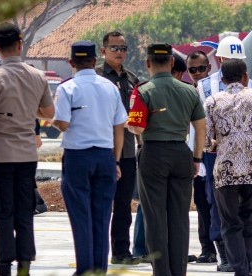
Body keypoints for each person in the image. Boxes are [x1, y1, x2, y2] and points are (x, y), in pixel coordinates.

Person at [0, 22, 55, 276]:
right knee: (24, 212)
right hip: (27, 156)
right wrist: (28, 110)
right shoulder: (37, 76)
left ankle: (4, 266)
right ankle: (25, 266)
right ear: (20, 45)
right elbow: (49, 114)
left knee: (2, 214)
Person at [128, 43, 206, 276]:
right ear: (172, 63)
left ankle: (162, 272)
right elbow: (201, 128)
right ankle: (178, 270)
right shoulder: (189, 90)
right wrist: (197, 158)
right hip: (182, 154)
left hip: (153, 154)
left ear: (148, 63)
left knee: (155, 217)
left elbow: (136, 126)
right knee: (179, 217)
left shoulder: (143, 91)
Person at [53, 41, 127, 276]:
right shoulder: (110, 87)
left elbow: (63, 124)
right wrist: (116, 161)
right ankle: (99, 270)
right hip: (105, 156)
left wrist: (51, 116)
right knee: (102, 216)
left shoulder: (67, 88)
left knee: (80, 216)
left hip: (78, 156)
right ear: (95, 61)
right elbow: (119, 128)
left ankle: (85, 269)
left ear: (71, 63)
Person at [205, 59, 252, 276]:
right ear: (245, 77)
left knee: (229, 222)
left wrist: (220, 142)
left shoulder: (212, 101)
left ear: (222, 79)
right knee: (249, 216)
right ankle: (250, 266)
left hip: (226, 171)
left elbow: (207, 141)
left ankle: (241, 270)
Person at [197, 36, 252, 272]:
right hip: (217, 154)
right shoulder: (205, 87)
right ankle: (225, 254)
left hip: (248, 156)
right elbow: (197, 125)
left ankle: (249, 255)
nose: (235, 63)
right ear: (221, 58)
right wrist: (199, 156)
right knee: (220, 208)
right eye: (231, 58)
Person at [95, 31, 140, 265]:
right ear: (103, 51)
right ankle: (97, 251)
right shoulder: (96, 77)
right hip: (103, 149)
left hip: (129, 152)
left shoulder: (131, 78)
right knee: (102, 203)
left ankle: (121, 251)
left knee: (123, 205)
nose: (119, 52)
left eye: (123, 48)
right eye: (114, 48)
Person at [185, 50, 217, 264]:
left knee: (216, 203)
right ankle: (207, 247)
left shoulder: (216, 92)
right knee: (201, 202)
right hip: (195, 155)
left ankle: (219, 246)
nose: (197, 73)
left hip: (213, 155)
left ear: (210, 68)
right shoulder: (187, 93)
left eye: (201, 68)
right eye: (192, 70)